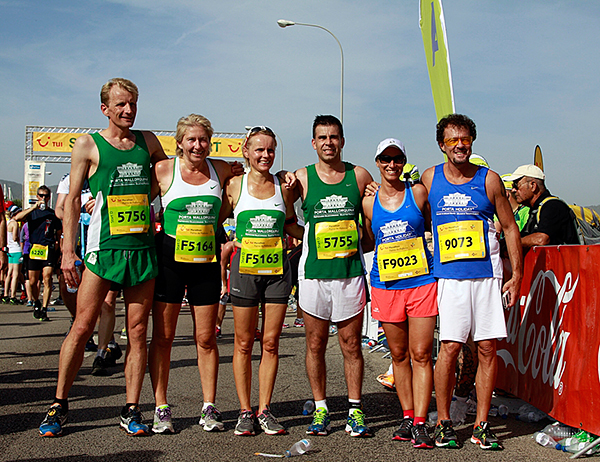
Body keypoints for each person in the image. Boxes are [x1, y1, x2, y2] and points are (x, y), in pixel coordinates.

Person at [38, 77, 167, 437]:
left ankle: (131, 409)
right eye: (121, 104)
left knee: (138, 332)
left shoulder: (149, 141)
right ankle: (59, 405)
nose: (128, 110)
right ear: (105, 109)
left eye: (133, 104)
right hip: (103, 249)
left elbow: (168, 174)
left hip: (142, 251)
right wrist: (67, 251)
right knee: (82, 327)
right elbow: (73, 199)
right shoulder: (87, 144)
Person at [421, 114, 522, 450]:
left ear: (472, 143)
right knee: (449, 348)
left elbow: (509, 227)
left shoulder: (489, 180)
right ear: (441, 144)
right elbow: (411, 214)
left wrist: (516, 274)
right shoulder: (430, 177)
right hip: (450, 279)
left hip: (486, 277)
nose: (460, 145)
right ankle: (445, 421)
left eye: (465, 140)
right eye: (453, 140)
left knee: (487, 349)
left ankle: (481, 424)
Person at [148, 114, 242, 434]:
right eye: (191, 139)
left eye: (203, 139)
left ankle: (209, 406)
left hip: (205, 263)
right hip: (170, 261)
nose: (198, 145)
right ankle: (161, 406)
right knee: (163, 337)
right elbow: (134, 196)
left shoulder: (223, 169)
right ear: (179, 143)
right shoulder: (163, 170)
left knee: (205, 337)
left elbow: (248, 179)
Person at [220, 126, 303, 436]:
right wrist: (228, 242)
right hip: (244, 270)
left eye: (270, 150)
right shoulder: (234, 186)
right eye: (259, 150)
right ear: (246, 152)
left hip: (277, 273)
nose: (265, 155)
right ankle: (244, 410)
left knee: (270, 343)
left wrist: (316, 239)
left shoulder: (284, 187)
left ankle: (264, 409)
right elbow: (217, 219)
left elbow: (292, 224)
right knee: (243, 343)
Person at [295, 115, 374, 438]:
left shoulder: (359, 176)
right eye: (322, 137)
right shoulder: (301, 178)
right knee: (315, 344)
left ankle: (355, 409)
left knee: (351, 344)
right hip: (313, 275)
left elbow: (370, 229)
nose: (328, 142)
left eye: (334, 137)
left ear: (342, 141)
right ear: (314, 143)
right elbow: (286, 219)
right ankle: (321, 408)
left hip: (348, 274)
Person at [362, 138, 437, 449]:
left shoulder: (418, 193)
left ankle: (421, 421)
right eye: (385, 159)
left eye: (397, 159)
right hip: (386, 286)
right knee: (399, 355)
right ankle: (407, 416)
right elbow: (370, 239)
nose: (391, 164)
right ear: (378, 163)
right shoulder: (368, 202)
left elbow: (432, 224)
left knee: (421, 354)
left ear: (404, 162)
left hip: (421, 283)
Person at [14, 186, 62, 321]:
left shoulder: (53, 214)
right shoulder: (32, 213)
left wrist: (60, 251)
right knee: (33, 281)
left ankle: (45, 308)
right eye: (41, 195)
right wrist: (34, 207)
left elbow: (59, 234)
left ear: (49, 197)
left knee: (47, 278)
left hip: (48, 249)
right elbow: (17, 218)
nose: (44, 198)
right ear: (37, 196)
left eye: (46, 196)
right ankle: (36, 302)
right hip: (34, 249)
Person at [505, 164, 580, 248]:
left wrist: (511, 243)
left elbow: (542, 239)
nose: (513, 190)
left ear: (533, 186)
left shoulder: (553, 206)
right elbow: (524, 236)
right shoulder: (536, 209)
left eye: (516, 185)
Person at [4, 205, 23, 304]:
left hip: (10, 249)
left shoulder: (7, 223)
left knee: (9, 273)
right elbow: (15, 237)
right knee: (15, 274)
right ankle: (13, 295)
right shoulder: (15, 223)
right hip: (16, 249)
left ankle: (6, 294)